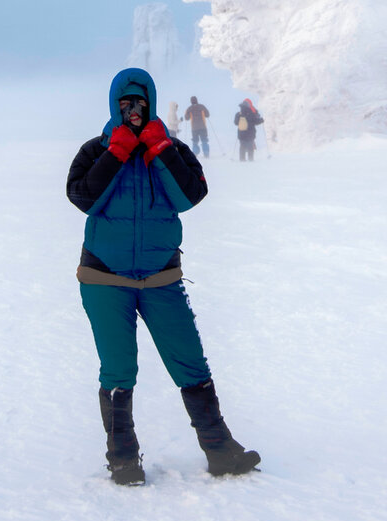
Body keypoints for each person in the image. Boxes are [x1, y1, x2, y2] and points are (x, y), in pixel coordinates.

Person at [66, 68, 260, 486]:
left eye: (139, 103)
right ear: (114, 105)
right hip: (104, 277)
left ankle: (220, 451)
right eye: (125, 103)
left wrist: (160, 148)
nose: (133, 111)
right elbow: (83, 198)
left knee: (190, 361)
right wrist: (117, 152)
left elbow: (191, 196)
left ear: (151, 103)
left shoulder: (171, 148)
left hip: (161, 278)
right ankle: (123, 460)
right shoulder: (95, 150)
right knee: (119, 369)